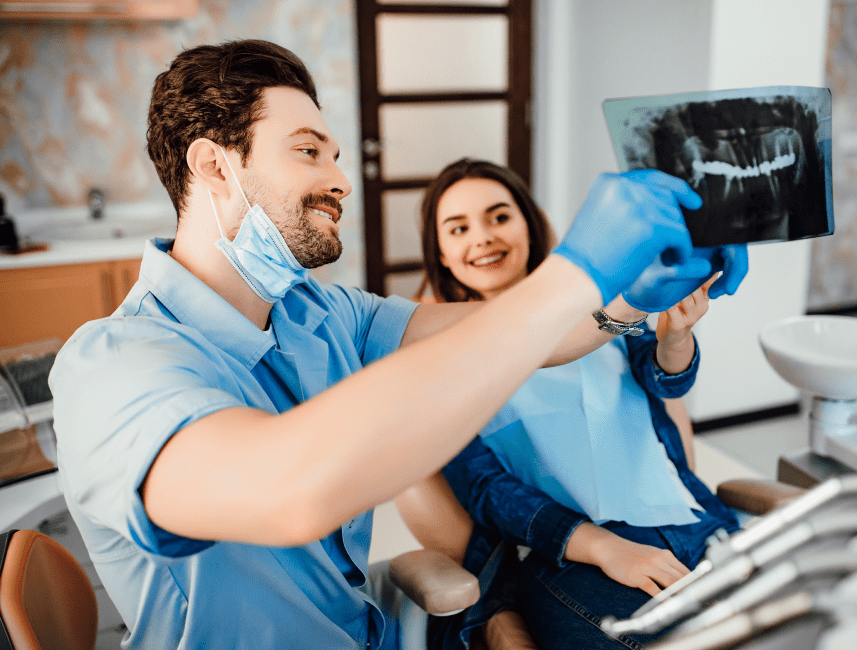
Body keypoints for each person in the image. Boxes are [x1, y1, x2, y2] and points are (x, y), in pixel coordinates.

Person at [46, 40, 731, 650]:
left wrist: (630, 297)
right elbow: (288, 489)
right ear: (215, 166)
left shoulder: (324, 314)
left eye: (334, 157)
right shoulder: (114, 365)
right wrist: (575, 270)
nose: (340, 180)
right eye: (309, 151)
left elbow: (533, 341)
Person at [413, 159, 745, 650]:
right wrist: (606, 548)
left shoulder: (602, 308)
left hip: (693, 524)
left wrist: (676, 336)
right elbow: (486, 488)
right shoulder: (437, 354)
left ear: (529, 223)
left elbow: (663, 381)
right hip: (573, 556)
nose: (481, 237)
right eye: (458, 228)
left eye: (499, 216)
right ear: (440, 252)